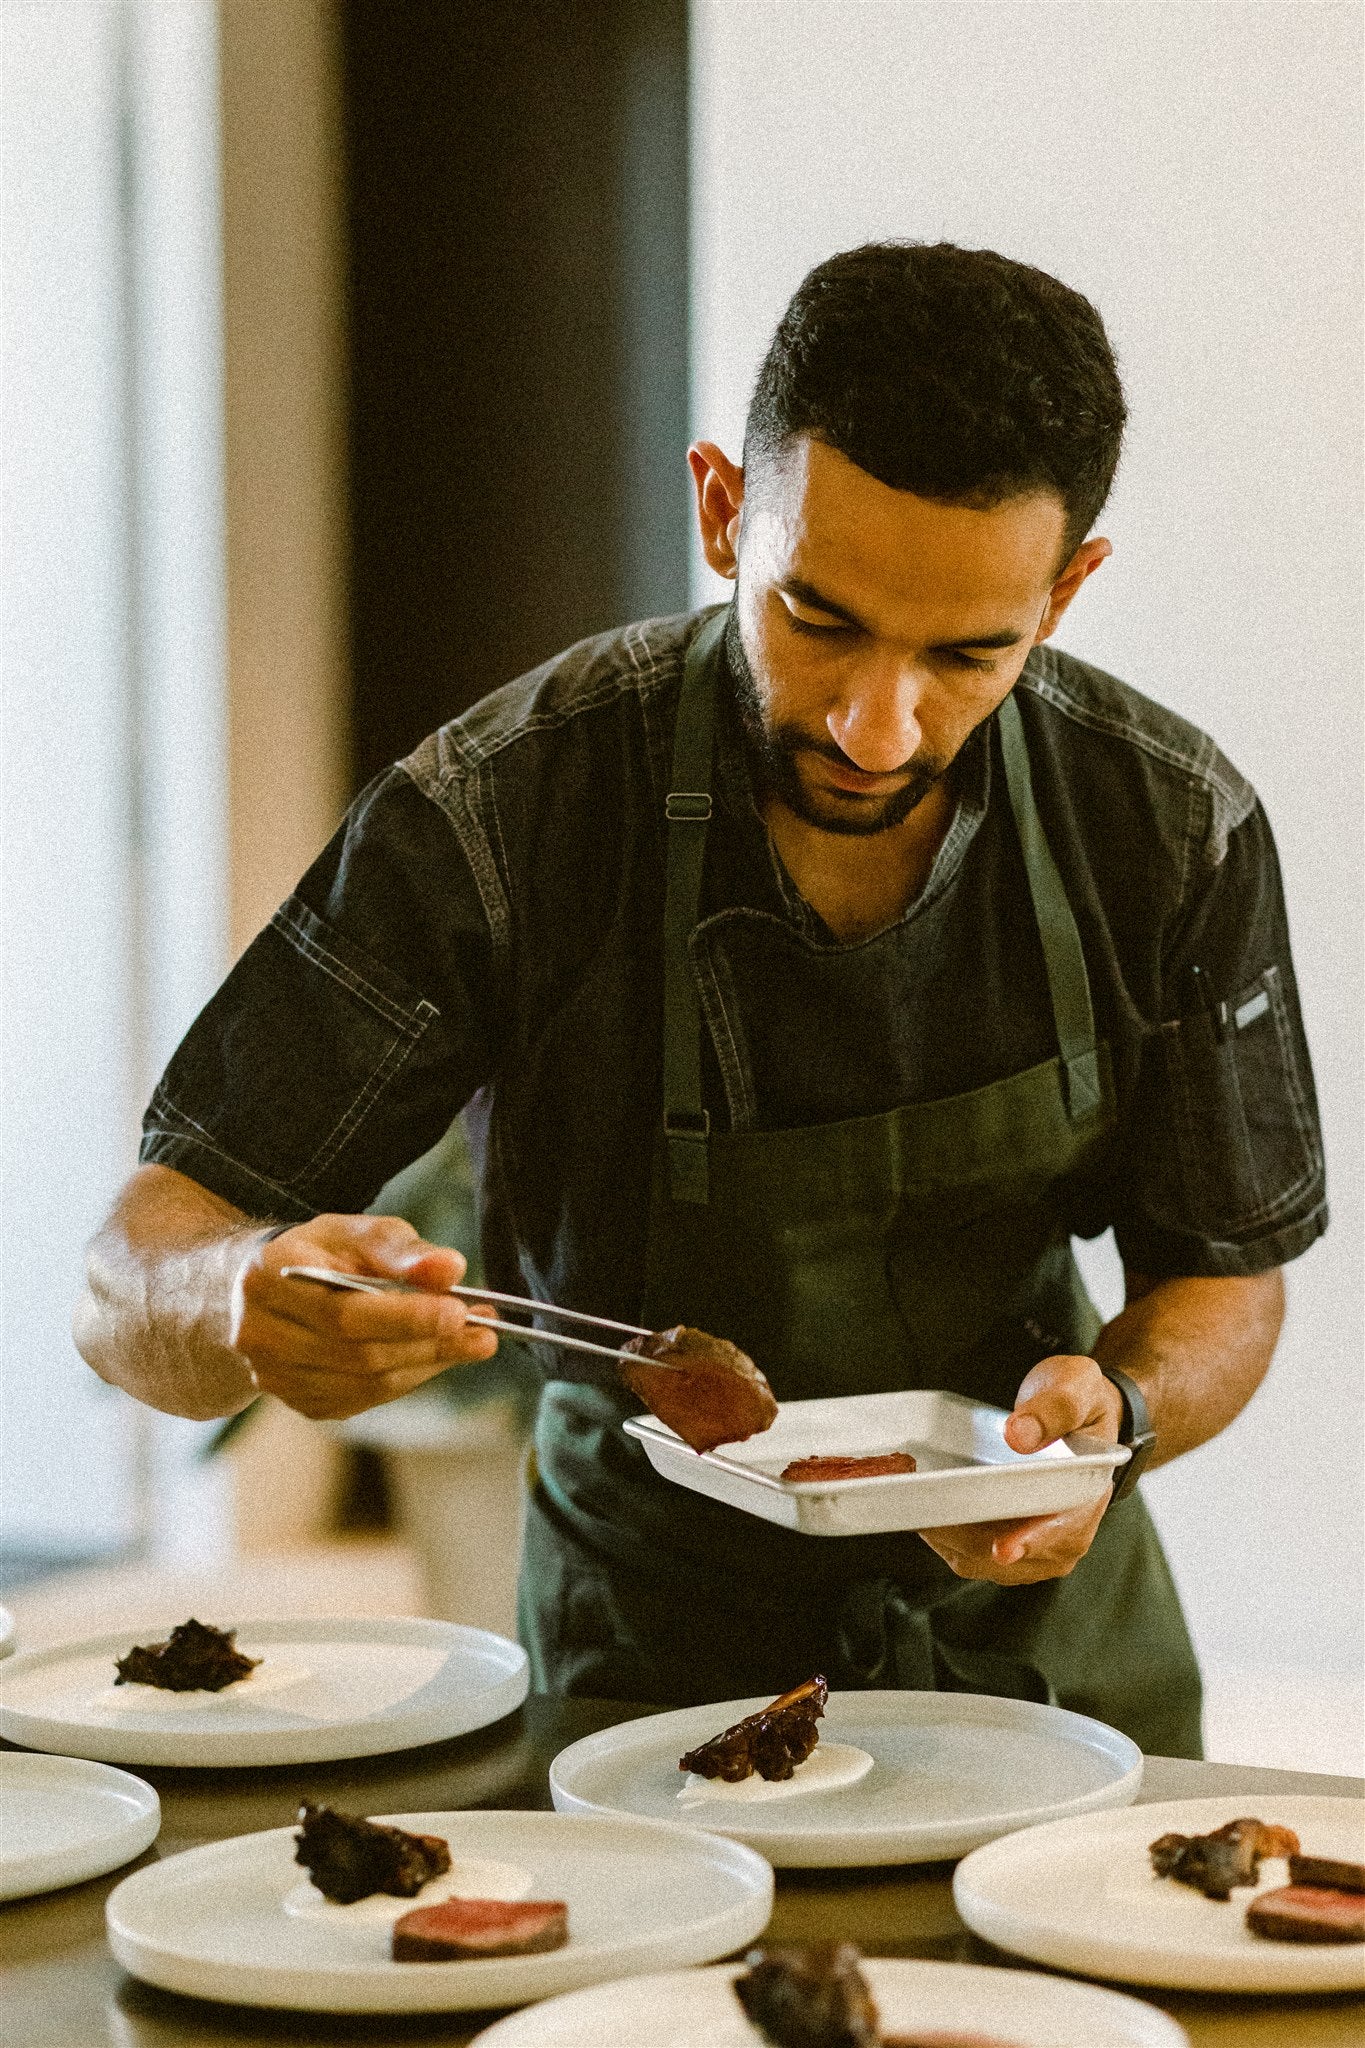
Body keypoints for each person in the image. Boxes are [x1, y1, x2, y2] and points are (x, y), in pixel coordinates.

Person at [75, 242, 1326, 1756]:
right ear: (725, 509)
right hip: (654, 1656)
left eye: (965, 656)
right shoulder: (503, 811)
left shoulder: (1168, 822)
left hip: (1047, 1653)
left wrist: (1112, 1422)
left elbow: (1226, 1275)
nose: (878, 726)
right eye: (820, 618)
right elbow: (126, 1270)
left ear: (1066, 592)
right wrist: (238, 1298)